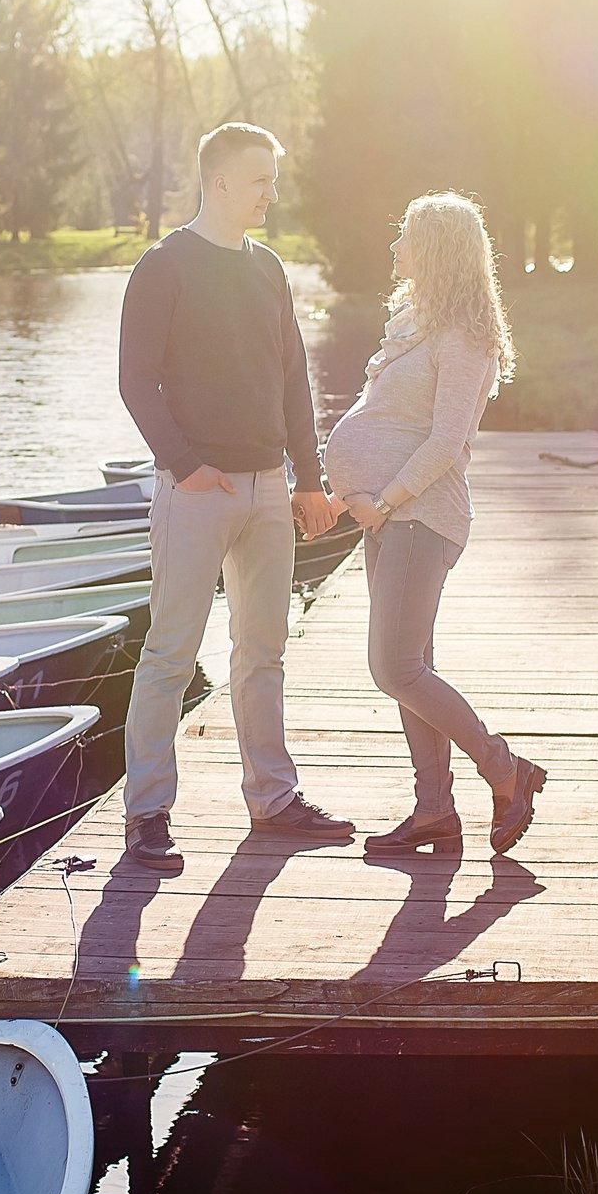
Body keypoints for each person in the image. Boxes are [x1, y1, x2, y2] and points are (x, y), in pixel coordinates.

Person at [114, 122, 353, 877]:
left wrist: (307, 478)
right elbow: (134, 379)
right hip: (195, 494)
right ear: (219, 182)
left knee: (262, 651)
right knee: (170, 653)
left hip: (268, 490)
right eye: (259, 180)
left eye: (272, 180)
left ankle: (272, 800)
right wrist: (185, 466)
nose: (270, 193)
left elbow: (292, 378)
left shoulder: (267, 268)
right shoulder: (163, 267)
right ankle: (147, 814)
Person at [321, 191, 548, 856]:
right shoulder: (417, 326)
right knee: (412, 667)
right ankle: (433, 811)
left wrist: (385, 500)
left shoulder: (465, 337)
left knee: (394, 666)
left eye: (407, 237)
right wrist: (344, 495)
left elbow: (447, 439)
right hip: (390, 517)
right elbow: (386, 422)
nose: (395, 248)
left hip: (421, 516)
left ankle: (505, 770)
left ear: (438, 250)